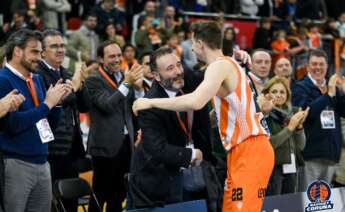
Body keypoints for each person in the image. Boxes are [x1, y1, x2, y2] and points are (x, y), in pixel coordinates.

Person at [133, 21, 274, 212]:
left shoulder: (219, 66)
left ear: (200, 43)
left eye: (192, 43)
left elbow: (195, 102)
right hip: (243, 149)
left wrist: (149, 102)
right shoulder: (228, 64)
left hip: (250, 147)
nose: (191, 48)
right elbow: (227, 111)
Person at [0, 29, 72, 212]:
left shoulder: (37, 79)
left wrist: (56, 104)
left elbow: (50, 125)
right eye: (34, 51)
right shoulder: (3, 80)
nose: (39, 57)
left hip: (42, 161)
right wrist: (46, 105)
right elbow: (13, 125)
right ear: (17, 51)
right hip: (16, 163)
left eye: (40, 52)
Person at [36, 29, 96, 212]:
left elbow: (85, 105)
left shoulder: (67, 72)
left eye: (62, 45)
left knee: (71, 202)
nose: (60, 49)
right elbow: (59, 100)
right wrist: (74, 86)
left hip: (72, 147)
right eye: (54, 46)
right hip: (50, 148)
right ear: (43, 52)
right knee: (51, 202)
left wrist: (81, 83)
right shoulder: (39, 75)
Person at [85, 40, 144, 212]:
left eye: (119, 55)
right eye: (111, 56)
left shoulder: (125, 77)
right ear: (101, 59)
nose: (117, 59)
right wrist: (127, 83)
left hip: (126, 144)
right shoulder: (93, 80)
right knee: (100, 194)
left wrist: (139, 89)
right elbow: (108, 105)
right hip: (104, 147)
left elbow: (134, 107)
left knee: (119, 195)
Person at [292, 49, 345, 191]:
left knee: (326, 204)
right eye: (314, 64)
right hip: (310, 155)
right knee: (308, 202)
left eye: (321, 64)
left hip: (331, 155)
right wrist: (328, 95)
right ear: (308, 66)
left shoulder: (333, 88)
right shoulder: (300, 87)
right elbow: (305, 115)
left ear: (327, 66)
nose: (318, 68)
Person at [262, 76, 308, 195]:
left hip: (292, 167)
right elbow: (270, 144)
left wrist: (299, 128)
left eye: (282, 92)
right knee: (275, 204)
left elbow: (301, 146)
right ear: (267, 94)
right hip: (273, 169)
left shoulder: (292, 112)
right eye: (274, 91)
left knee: (290, 203)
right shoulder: (263, 115)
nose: (279, 95)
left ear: (287, 95)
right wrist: (289, 128)